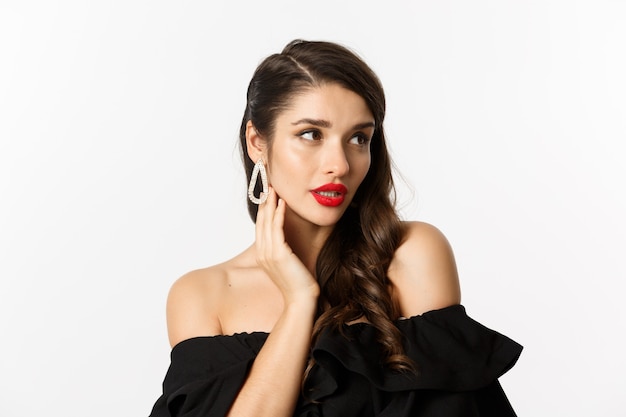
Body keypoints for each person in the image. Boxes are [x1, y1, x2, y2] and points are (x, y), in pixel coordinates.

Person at [148, 39, 522, 417]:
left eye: (359, 138)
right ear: (257, 142)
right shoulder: (202, 295)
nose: (340, 164)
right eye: (311, 134)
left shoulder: (412, 254)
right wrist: (299, 301)